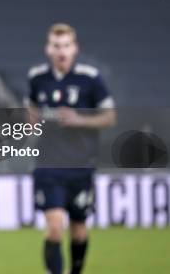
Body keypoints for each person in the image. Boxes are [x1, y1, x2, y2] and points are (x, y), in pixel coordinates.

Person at [26, 23, 116, 274]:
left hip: (81, 166)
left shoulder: (90, 78)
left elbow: (109, 117)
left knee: (78, 230)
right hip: (48, 166)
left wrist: (80, 119)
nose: (61, 51)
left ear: (75, 48)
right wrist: (29, 121)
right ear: (48, 49)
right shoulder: (37, 78)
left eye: (66, 45)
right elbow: (30, 110)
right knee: (55, 228)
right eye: (56, 46)